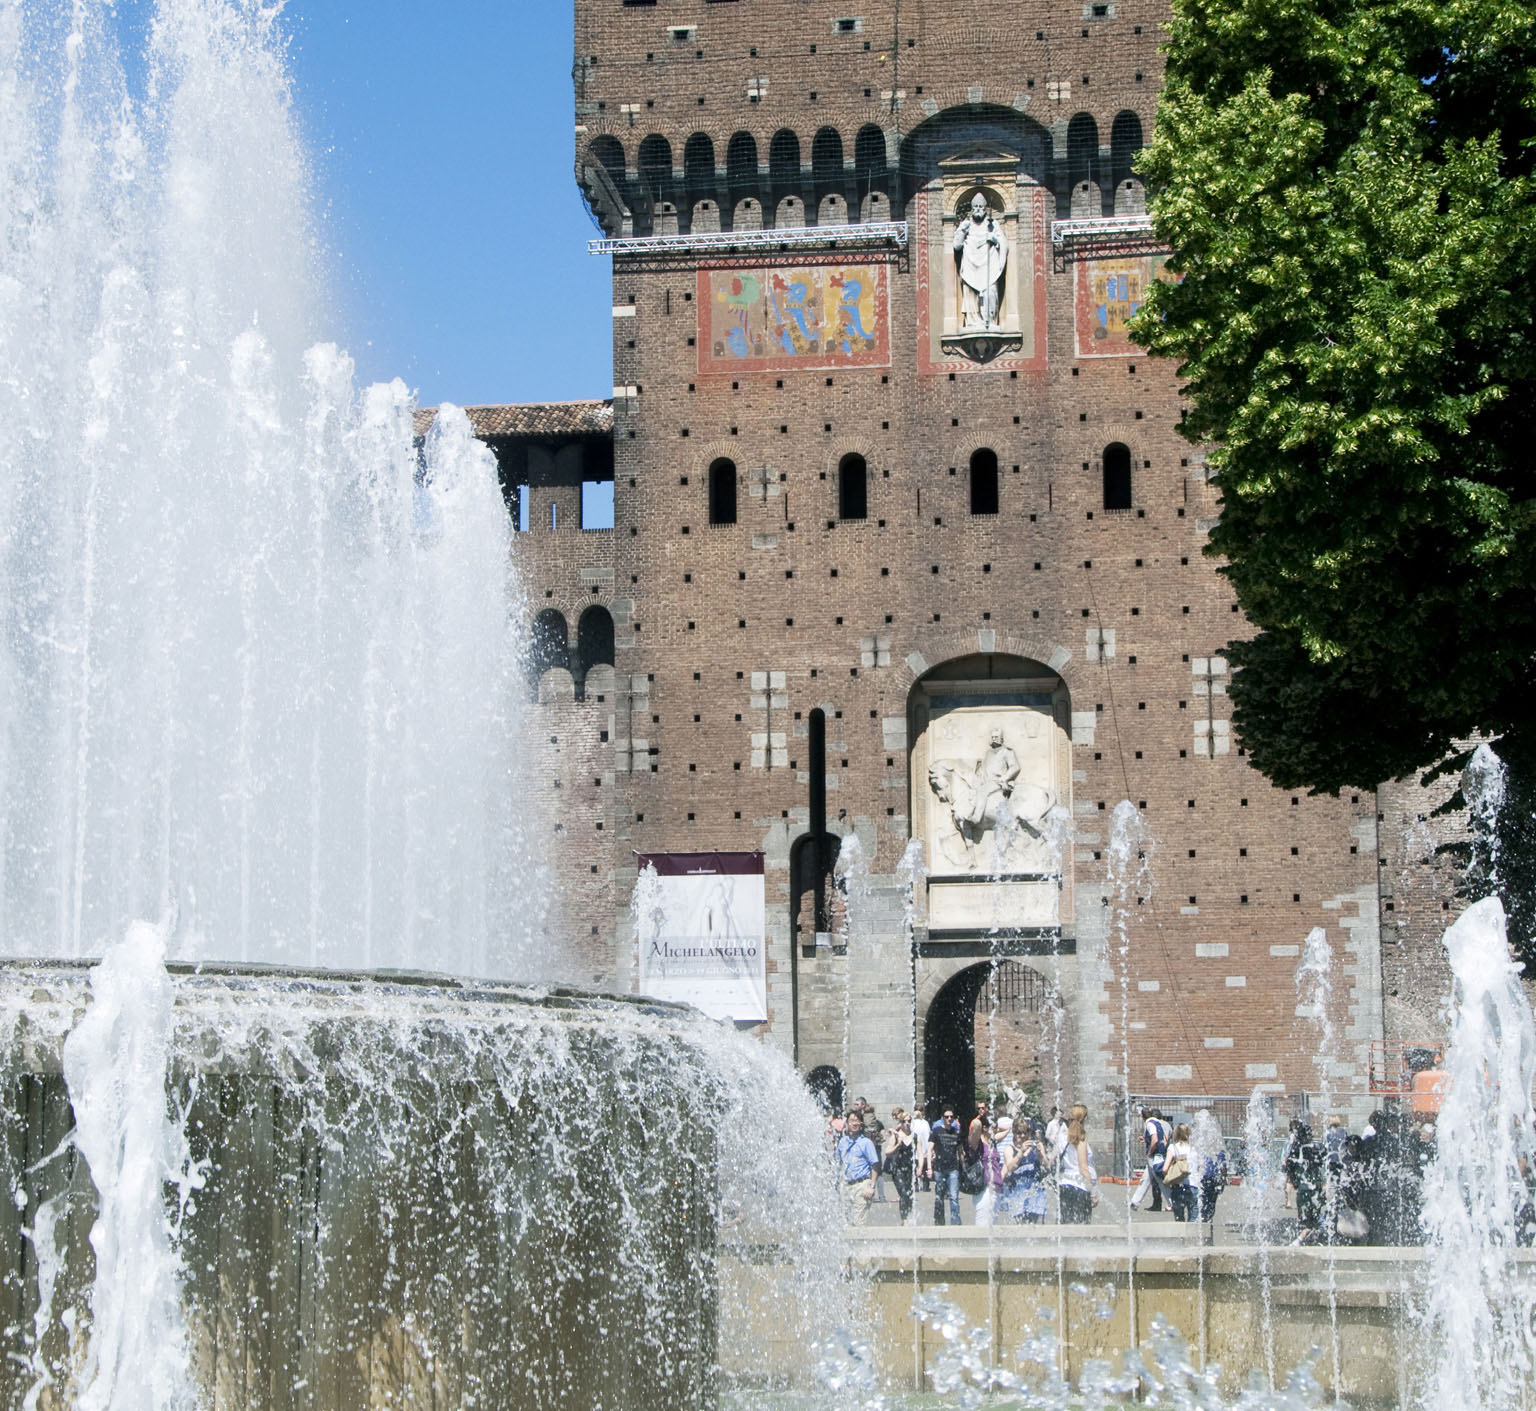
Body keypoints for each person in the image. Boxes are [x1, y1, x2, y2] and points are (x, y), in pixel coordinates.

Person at [952, 191, 1009, 327]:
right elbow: (957, 246)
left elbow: (1004, 243)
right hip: (970, 267)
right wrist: (962, 231)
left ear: (985, 209)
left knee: (990, 294)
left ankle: (990, 321)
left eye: (980, 207)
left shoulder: (992, 224)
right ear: (971, 209)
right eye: (975, 207)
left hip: (989, 267)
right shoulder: (966, 225)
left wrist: (995, 239)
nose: (978, 209)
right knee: (971, 296)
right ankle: (972, 322)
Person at [834, 1110, 881, 1225]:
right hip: (846, 1186)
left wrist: (871, 1186)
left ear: (860, 1124)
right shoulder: (842, 1142)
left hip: (862, 1185)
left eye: (857, 1121)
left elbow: (875, 1165)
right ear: (847, 1124)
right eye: (852, 1121)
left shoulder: (866, 1143)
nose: (855, 1123)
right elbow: (837, 1164)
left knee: (858, 1222)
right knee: (845, 1223)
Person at [1057, 1105, 1098, 1224]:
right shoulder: (1081, 1140)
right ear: (1084, 1119)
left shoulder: (1062, 1137)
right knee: (1082, 1228)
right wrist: (1093, 1193)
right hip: (1080, 1187)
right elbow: (1084, 1168)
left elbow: (1051, 1159)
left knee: (1066, 1225)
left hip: (1064, 1185)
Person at [1003, 1119, 1049, 1223]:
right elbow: (1010, 1167)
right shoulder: (1009, 1149)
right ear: (1014, 1133)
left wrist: (1040, 1155)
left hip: (1036, 1192)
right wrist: (1021, 1152)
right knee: (1019, 1229)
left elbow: (1047, 1166)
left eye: (1026, 1132)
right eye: (1019, 1133)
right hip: (1018, 1193)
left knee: (1037, 1227)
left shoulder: (1038, 1145)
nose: (1023, 1136)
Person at [1130, 1106, 1171, 1213]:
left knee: (1159, 1180)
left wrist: (1150, 1152)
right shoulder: (1157, 1122)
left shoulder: (1150, 1124)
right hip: (1158, 1154)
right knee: (1145, 1179)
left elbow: (1155, 1139)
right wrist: (1145, 1139)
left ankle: (1172, 1202)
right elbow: (1161, 1138)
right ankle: (1135, 1202)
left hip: (1154, 1156)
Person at [930, 1107, 964, 1225]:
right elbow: (929, 1149)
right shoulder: (936, 1131)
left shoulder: (957, 1132)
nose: (949, 1119)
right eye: (946, 1117)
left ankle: (955, 1222)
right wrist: (929, 1167)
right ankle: (939, 1221)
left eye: (951, 1117)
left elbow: (960, 1151)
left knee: (954, 1196)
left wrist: (963, 1167)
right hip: (939, 1168)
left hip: (953, 1168)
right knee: (939, 1196)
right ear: (942, 1118)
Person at [883, 1109, 916, 1224]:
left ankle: (910, 1215)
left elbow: (920, 1152)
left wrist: (921, 1167)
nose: (907, 1124)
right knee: (903, 1193)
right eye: (904, 1121)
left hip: (910, 1169)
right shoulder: (896, 1136)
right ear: (901, 1123)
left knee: (910, 1194)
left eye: (909, 1121)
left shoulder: (914, 1136)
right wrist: (897, 1145)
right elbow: (887, 1152)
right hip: (898, 1169)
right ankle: (905, 1219)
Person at [1163, 1123, 1196, 1221]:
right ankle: (1192, 1235)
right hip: (1194, 1185)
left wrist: (1169, 1177)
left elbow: (1164, 1169)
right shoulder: (1194, 1148)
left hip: (1178, 1186)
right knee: (1193, 1216)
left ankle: (1182, 1236)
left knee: (1179, 1217)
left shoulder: (1173, 1148)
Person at [911, 1106, 932, 1193]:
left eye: (920, 1110)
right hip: (915, 1148)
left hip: (924, 1147)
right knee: (915, 1166)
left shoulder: (925, 1123)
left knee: (924, 1167)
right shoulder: (912, 1122)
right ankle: (915, 1184)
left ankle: (926, 1185)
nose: (918, 1112)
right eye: (916, 1110)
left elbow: (927, 1135)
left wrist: (929, 1149)